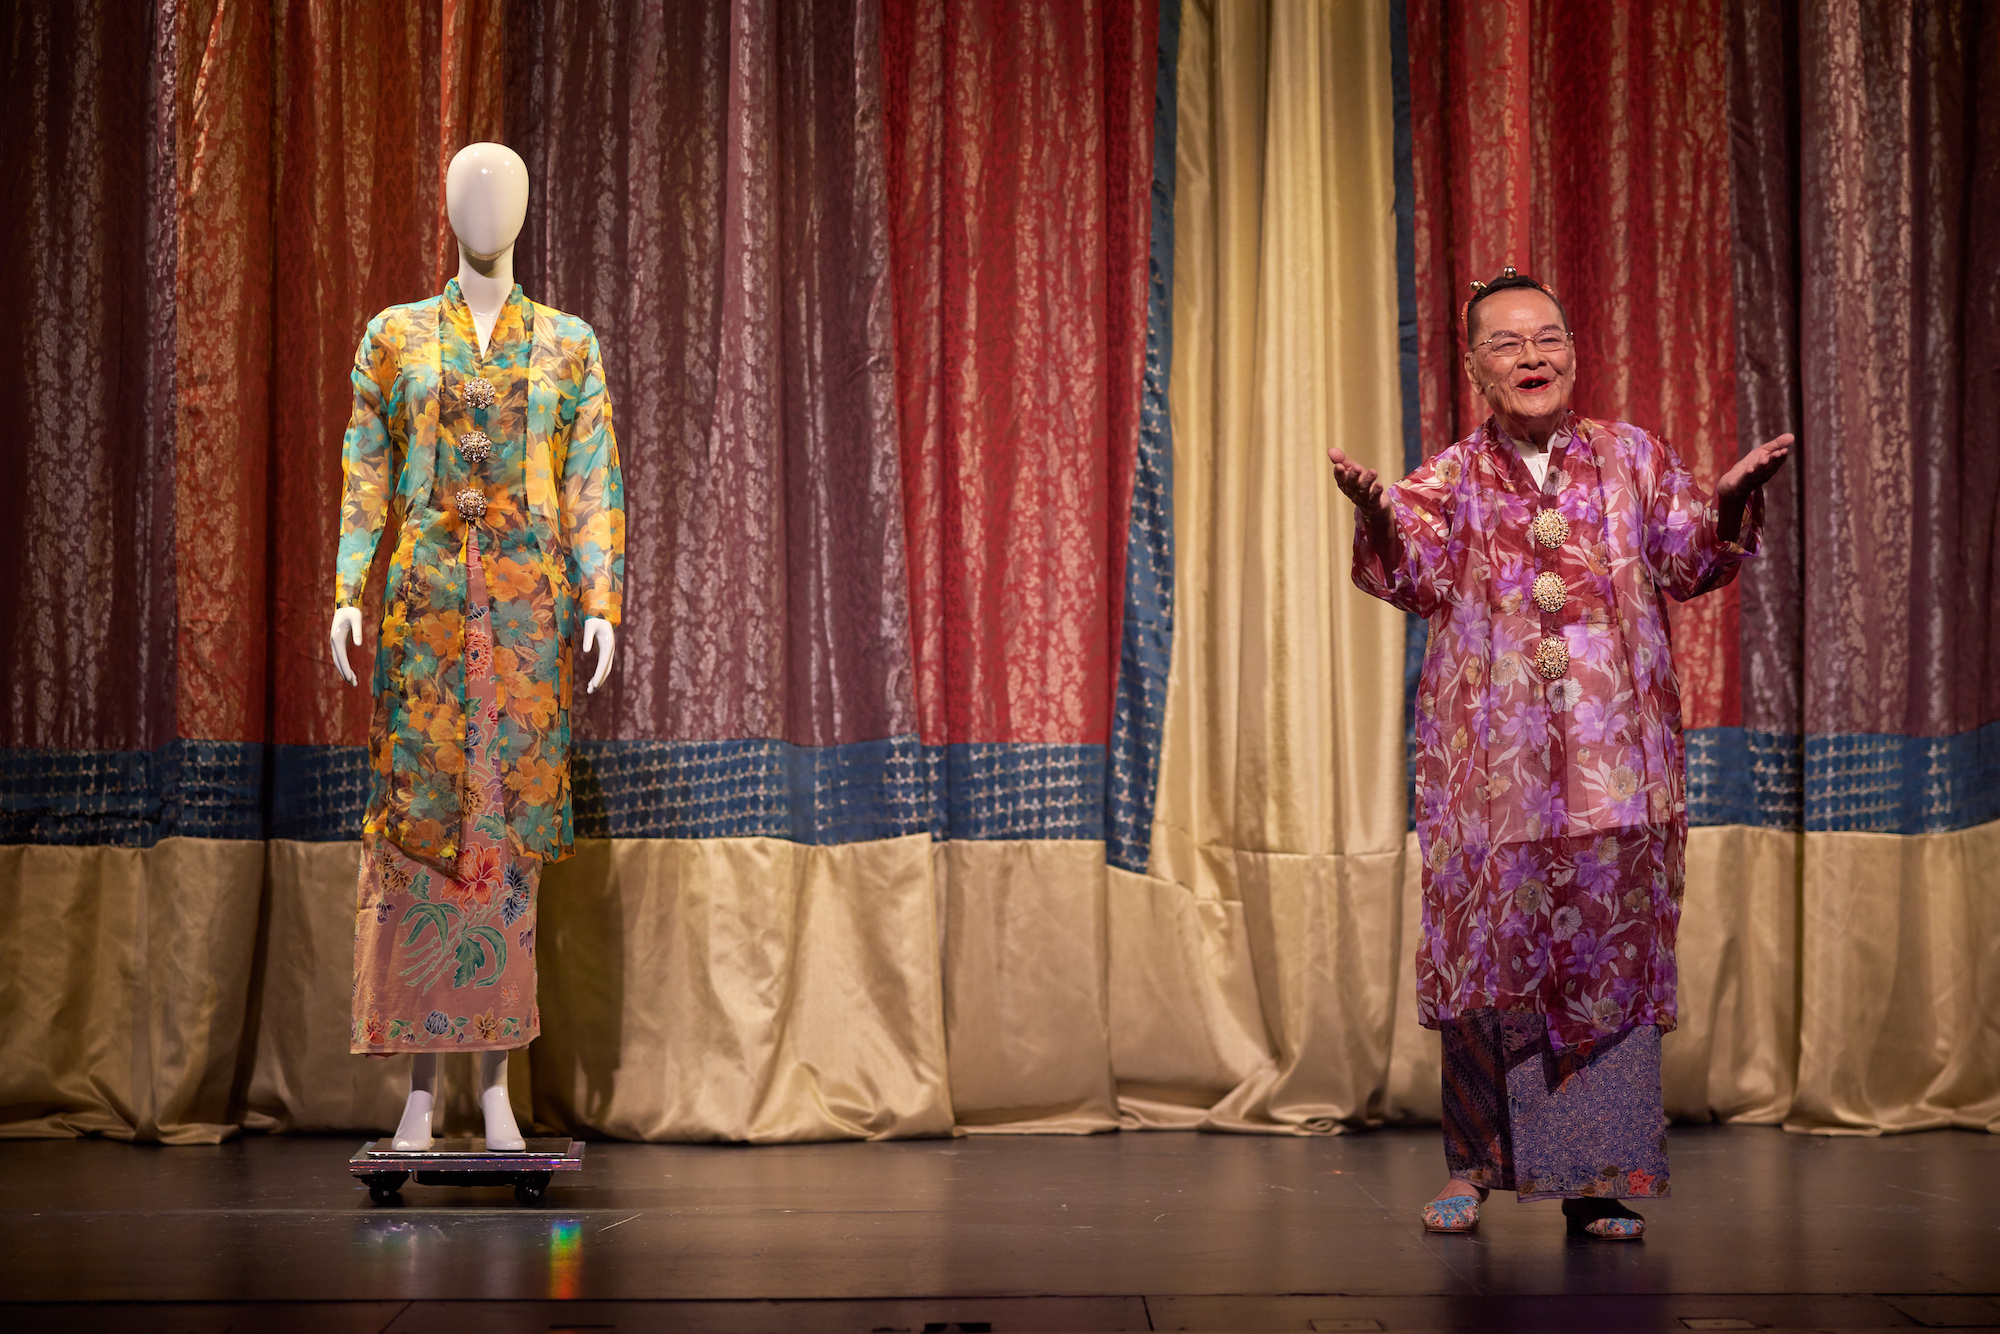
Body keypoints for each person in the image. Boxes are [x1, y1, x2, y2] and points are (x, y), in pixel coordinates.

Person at [1329, 267, 1791, 1240]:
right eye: (1505, 342)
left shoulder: (1629, 458)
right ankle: (1471, 1163)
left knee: (1602, 959)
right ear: (1472, 365)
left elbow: (1684, 558)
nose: (1530, 356)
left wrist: (1726, 505)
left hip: (1611, 761)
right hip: (1487, 768)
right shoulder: (1449, 477)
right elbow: (1405, 572)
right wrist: (1374, 514)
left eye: (1546, 338)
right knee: (1486, 960)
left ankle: (1595, 1178)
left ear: (1572, 352)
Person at [329, 143, 625, 1152]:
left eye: (502, 192)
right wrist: (346, 589)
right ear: (445, 206)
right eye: (466, 190)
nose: (485, 207)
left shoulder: (566, 346)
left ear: (530, 209)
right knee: (420, 844)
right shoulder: (395, 338)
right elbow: (367, 467)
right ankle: (419, 1090)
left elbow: (590, 480)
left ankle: (494, 1086)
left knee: (498, 854)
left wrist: (600, 599)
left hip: (522, 632)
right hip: (426, 630)